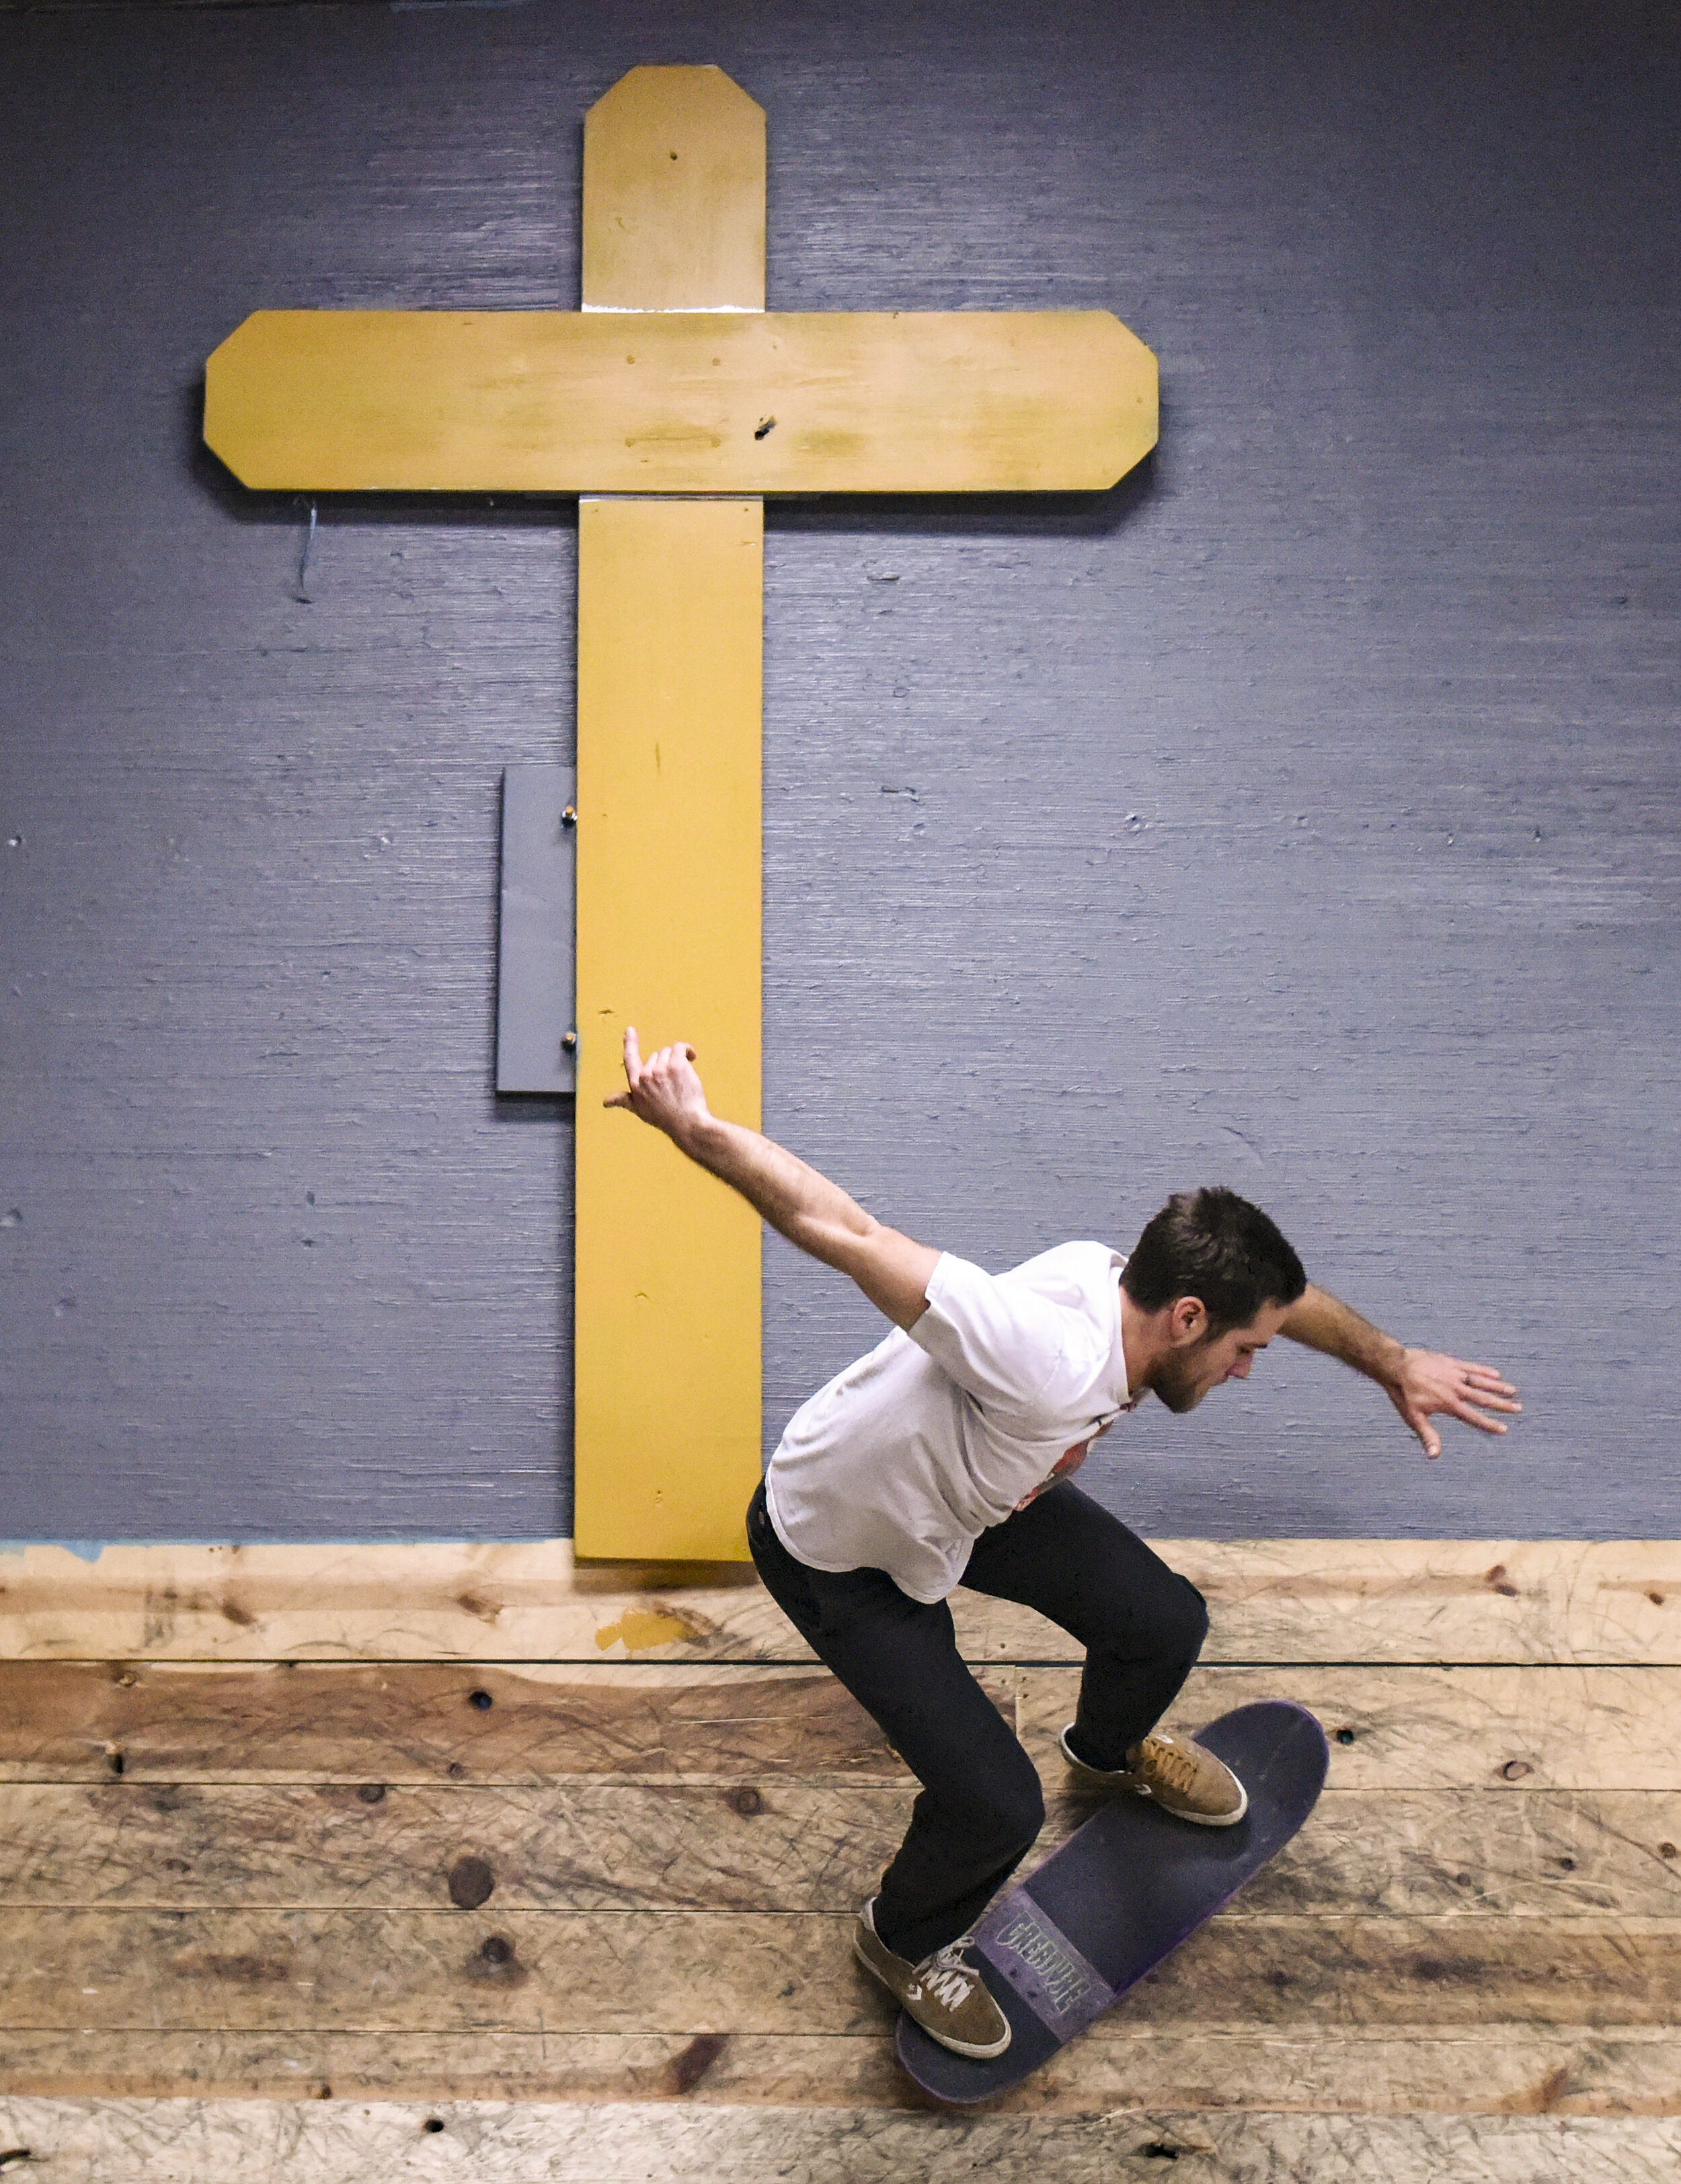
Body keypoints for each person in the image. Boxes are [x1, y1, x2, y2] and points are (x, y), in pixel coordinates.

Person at [607, 1029, 1520, 2060]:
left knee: (1163, 1622)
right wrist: (693, 1128)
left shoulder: (1130, 1281)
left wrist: (1392, 1362)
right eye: (1242, 1351)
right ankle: (902, 1942)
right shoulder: (1041, 1355)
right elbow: (845, 1229)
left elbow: (1285, 1300)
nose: (1249, 1368)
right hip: (838, 1548)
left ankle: (1109, 1752)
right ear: (1187, 1318)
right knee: (994, 1807)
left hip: (973, 1499)